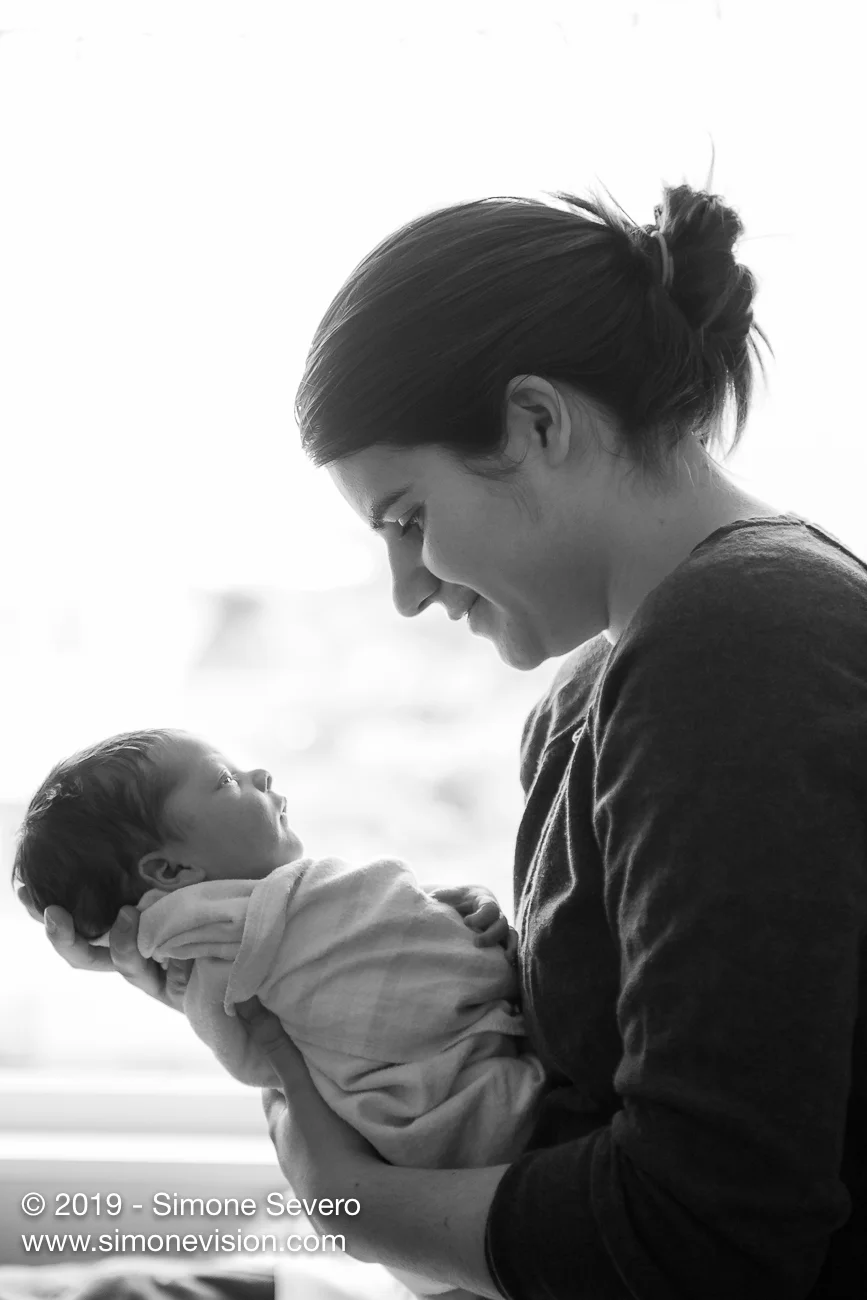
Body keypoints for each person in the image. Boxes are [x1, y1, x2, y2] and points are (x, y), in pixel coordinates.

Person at [20, 180, 866, 1298]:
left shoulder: (739, 642)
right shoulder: (600, 687)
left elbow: (704, 1236)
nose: (407, 591)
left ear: (538, 423)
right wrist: (258, 990)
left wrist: (349, 1206)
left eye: (409, 519)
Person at [13, 727, 542, 1295]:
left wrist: (451, 908)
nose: (260, 775)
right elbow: (256, 1056)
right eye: (225, 780)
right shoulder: (211, 941)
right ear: (169, 872)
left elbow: (386, 923)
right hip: (443, 1120)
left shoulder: (289, 904)